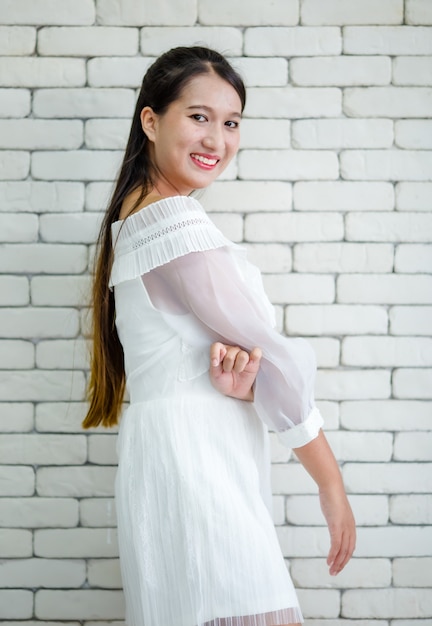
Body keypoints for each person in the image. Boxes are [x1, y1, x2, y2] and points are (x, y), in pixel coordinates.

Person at [83, 46, 355, 626]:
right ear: (151, 120)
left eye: (230, 123)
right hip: (197, 458)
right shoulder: (174, 223)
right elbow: (275, 357)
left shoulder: (136, 220)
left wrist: (247, 388)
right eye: (199, 117)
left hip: (171, 450)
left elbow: (233, 361)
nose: (217, 139)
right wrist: (331, 483)